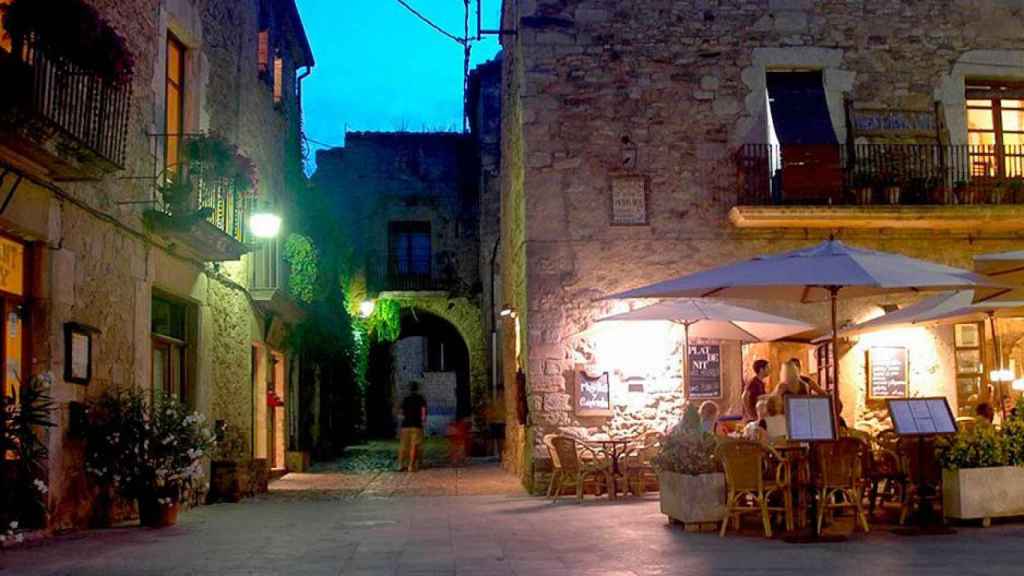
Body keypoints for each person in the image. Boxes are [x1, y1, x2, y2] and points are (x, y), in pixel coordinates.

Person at [398, 381, 428, 472]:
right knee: (414, 446)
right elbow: (423, 412)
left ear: (409, 389)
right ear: (417, 389)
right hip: (416, 425)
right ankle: (411, 465)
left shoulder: (405, 399)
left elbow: (401, 413)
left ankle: (401, 464)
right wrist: (423, 421)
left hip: (405, 425)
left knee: (403, 446)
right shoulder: (421, 399)